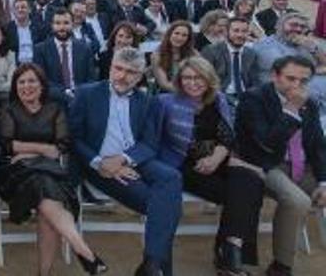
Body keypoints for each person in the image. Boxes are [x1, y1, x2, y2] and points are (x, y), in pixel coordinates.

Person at [68, 47, 182, 276]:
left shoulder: (148, 101)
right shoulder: (86, 94)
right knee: (165, 205)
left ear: (140, 76)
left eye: (131, 72)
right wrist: (100, 163)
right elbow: (73, 138)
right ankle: (158, 269)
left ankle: (151, 264)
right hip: (99, 165)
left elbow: (149, 144)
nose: (122, 76)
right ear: (110, 68)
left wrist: (123, 159)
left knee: (171, 178)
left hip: (135, 159)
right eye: (118, 68)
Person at [0, 63, 107, 275]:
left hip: (49, 172)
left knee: (46, 199)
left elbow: (61, 146)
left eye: (32, 81)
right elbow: (8, 145)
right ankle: (82, 250)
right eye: (21, 82)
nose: (26, 86)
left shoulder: (55, 110)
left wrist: (30, 151)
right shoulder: (7, 111)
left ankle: (46, 271)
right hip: (14, 173)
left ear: (42, 85)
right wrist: (43, 148)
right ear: (15, 86)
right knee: (44, 187)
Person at [156, 57, 264, 275]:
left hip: (219, 157)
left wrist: (216, 157)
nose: (192, 83)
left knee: (251, 181)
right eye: (187, 77)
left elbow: (228, 136)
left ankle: (230, 249)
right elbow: (156, 139)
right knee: (242, 196)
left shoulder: (218, 100)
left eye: (198, 78)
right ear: (178, 80)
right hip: (182, 164)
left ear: (209, 80)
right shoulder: (164, 102)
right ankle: (229, 257)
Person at [234, 55, 326, 276]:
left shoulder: (310, 103)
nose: (297, 85)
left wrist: (324, 181)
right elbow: (267, 142)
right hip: (264, 165)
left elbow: (317, 146)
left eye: (303, 81)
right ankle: (281, 266)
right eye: (290, 78)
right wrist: (291, 110)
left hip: (301, 165)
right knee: (297, 201)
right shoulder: (253, 99)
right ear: (275, 76)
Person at [249, 12, 326, 100]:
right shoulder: (266, 45)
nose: (298, 29)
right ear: (280, 26)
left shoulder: (305, 44)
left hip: (308, 90)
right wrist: (318, 70)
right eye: (293, 25)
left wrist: (315, 49)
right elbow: (291, 71)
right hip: (279, 94)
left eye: (302, 27)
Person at [33, 8, 97, 98]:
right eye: (57, 23)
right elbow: (41, 80)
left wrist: (79, 93)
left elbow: (91, 78)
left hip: (80, 98)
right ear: (52, 25)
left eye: (66, 23)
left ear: (73, 24)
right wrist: (65, 94)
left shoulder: (85, 48)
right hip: (53, 100)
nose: (62, 27)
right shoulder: (40, 50)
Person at [201, 17, 259, 104]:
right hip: (220, 97)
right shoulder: (211, 51)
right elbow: (206, 81)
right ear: (226, 32)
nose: (240, 35)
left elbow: (254, 81)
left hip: (245, 96)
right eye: (236, 31)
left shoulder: (250, 54)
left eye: (244, 31)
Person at [150, 21, 197, 93]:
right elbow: (164, 84)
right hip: (167, 93)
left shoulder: (194, 54)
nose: (179, 38)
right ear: (169, 34)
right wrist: (186, 92)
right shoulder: (157, 55)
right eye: (176, 33)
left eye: (184, 35)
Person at [5, 0, 39, 64]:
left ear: (29, 9)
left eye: (23, 7)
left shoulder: (38, 27)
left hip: (35, 64)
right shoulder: (8, 28)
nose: (20, 10)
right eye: (17, 8)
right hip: (16, 65)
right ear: (13, 11)